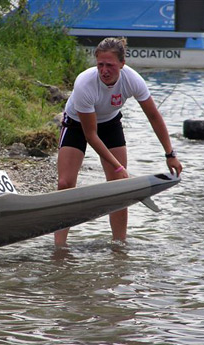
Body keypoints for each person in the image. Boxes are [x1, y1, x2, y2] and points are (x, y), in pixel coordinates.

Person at [54, 37, 183, 247]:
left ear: (122, 64)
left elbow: (153, 116)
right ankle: (59, 247)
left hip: (110, 122)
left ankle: (119, 246)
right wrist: (119, 166)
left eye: (110, 65)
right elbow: (91, 135)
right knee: (65, 184)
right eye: (100, 65)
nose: (104, 70)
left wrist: (170, 154)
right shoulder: (84, 84)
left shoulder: (133, 80)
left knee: (119, 186)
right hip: (78, 124)